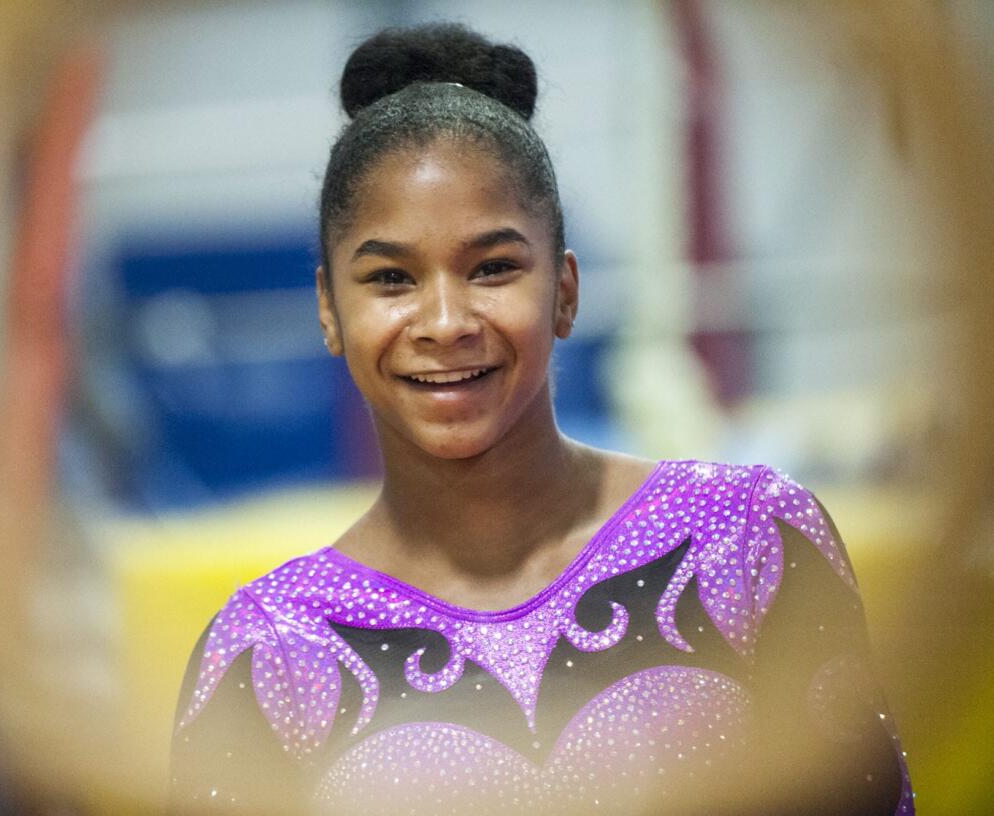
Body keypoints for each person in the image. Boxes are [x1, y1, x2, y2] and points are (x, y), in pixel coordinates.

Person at [169, 23, 913, 816]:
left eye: (493, 268)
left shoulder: (748, 539)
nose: (446, 321)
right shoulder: (273, 653)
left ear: (564, 290)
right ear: (329, 309)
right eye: (391, 278)